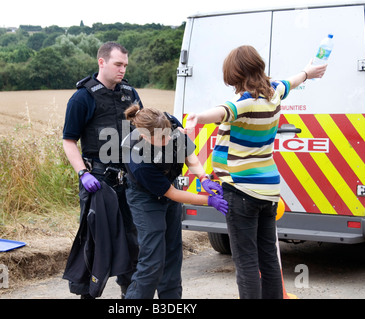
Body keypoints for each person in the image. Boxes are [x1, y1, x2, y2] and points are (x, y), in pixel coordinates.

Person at [184, 45, 327, 299]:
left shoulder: (245, 102)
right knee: (269, 257)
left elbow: (222, 111)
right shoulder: (274, 93)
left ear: (235, 73)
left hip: (241, 190)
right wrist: (309, 73)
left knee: (247, 262)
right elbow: (292, 81)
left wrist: (198, 117)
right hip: (269, 189)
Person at [121, 104, 228, 299]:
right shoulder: (137, 158)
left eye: (168, 133)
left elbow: (188, 153)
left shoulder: (166, 122)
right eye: (162, 138)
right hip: (145, 199)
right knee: (152, 259)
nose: (168, 138)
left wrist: (203, 178)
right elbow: (172, 194)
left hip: (168, 186)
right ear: (145, 136)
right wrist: (208, 200)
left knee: (173, 253)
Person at [62, 42, 142, 299]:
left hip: (129, 179)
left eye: (125, 65)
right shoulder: (82, 97)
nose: (122, 70)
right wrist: (82, 173)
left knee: (132, 242)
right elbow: (69, 140)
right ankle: (88, 295)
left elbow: (143, 132)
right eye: (118, 64)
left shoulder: (130, 94)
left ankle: (129, 299)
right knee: (95, 243)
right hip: (97, 180)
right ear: (102, 62)